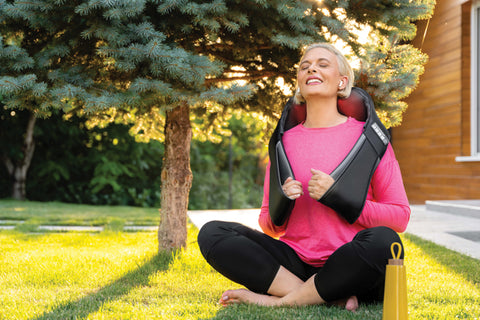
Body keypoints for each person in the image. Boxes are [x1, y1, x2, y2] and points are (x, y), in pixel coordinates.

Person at [197, 43, 410, 311]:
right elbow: (268, 224)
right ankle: (325, 296)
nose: (311, 68)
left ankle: (280, 302)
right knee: (213, 233)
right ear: (299, 82)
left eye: (323, 64)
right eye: (305, 65)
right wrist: (283, 201)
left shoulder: (369, 140)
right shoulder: (282, 143)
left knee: (385, 242)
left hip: (351, 262)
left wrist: (342, 198)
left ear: (342, 81)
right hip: (296, 262)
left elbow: (400, 216)